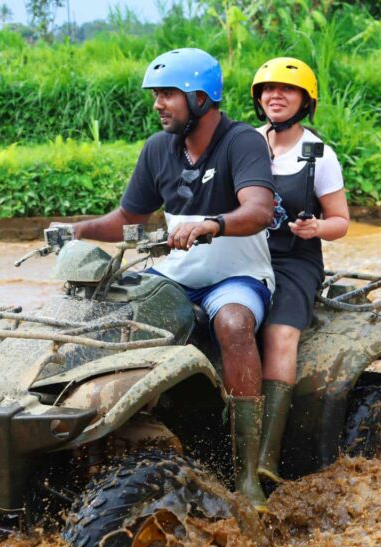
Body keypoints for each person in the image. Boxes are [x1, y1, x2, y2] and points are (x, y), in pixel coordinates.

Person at [69, 48, 275, 510]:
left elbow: (259, 210)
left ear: (201, 98)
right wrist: (81, 230)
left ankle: (246, 474)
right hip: (172, 276)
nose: (158, 104)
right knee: (116, 318)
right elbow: (129, 216)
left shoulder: (241, 142)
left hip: (235, 275)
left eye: (168, 94)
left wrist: (212, 224)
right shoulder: (158, 148)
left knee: (234, 325)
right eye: (156, 95)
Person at [249, 57, 350, 483]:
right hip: (243, 254)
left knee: (280, 334)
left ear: (305, 101)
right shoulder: (244, 143)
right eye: (268, 90)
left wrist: (316, 228)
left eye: (287, 90)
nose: (276, 96)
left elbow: (341, 222)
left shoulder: (320, 155)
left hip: (294, 260)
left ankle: (266, 455)